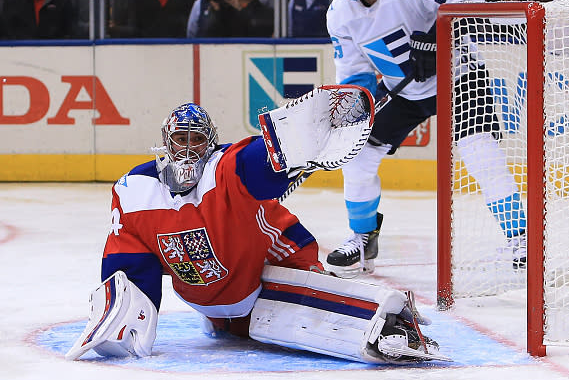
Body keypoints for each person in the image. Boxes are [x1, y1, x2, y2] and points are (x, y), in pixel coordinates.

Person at [65, 100, 446, 364]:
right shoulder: (134, 191)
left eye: (197, 139)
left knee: (303, 318)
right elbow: (130, 265)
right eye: (180, 139)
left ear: (210, 143)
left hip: (275, 265)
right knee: (239, 330)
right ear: (166, 141)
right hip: (217, 299)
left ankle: (382, 320)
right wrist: (123, 315)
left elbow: (254, 162)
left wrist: (289, 148)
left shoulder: (224, 168)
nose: (187, 149)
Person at [325, 0, 528, 272]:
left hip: (459, 75)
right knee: (359, 156)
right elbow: (353, 73)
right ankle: (363, 239)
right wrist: (358, 106)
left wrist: (438, 37)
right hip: (402, 91)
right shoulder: (339, 13)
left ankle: (520, 238)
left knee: (479, 151)